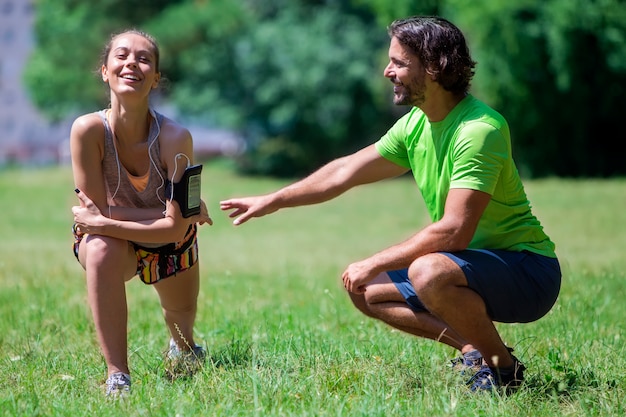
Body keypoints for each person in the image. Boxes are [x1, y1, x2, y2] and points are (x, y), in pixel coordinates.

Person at [220, 16, 561, 393]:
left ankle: (503, 370)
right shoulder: (417, 123)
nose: (388, 71)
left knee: (427, 272)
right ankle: (477, 351)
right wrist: (275, 200)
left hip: (528, 270)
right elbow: (345, 170)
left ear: (433, 67)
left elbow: (454, 230)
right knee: (366, 289)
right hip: (470, 266)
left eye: (399, 62)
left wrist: (375, 260)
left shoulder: (479, 130)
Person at [70, 29, 212, 397]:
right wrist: (164, 214)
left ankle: (184, 349)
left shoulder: (175, 138)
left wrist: (105, 220)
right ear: (105, 71)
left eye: (144, 58)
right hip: (115, 241)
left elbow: (172, 231)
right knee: (100, 246)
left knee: (180, 326)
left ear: (156, 78)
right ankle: (118, 375)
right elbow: (95, 216)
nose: (132, 62)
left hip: (170, 245)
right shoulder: (88, 131)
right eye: (121, 55)